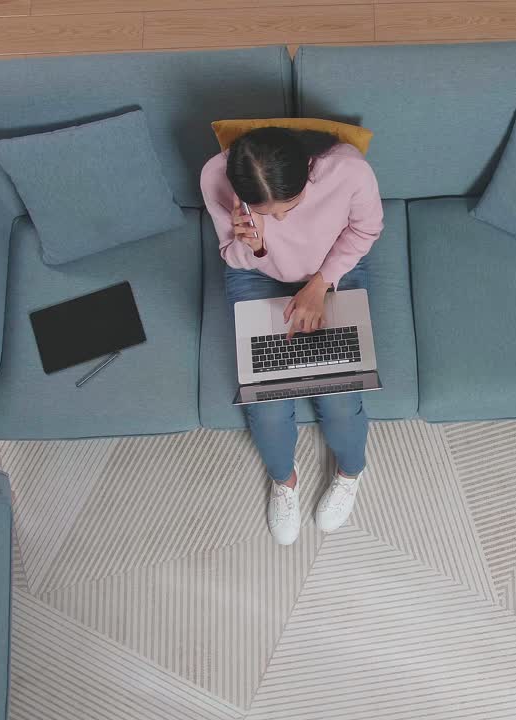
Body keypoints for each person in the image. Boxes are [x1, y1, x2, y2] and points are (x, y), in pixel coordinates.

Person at [200, 127, 383, 545]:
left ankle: (350, 471)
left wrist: (319, 286)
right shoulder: (216, 175)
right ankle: (284, 481)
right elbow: (233, 256)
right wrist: (255, 245)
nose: (280, 218)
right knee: (266, 405)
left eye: (289, 206)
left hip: (334, 270)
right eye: (268, 211)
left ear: (306, 172)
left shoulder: (348, 171)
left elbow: (365, 231)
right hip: (258, 275)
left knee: (339, 399)